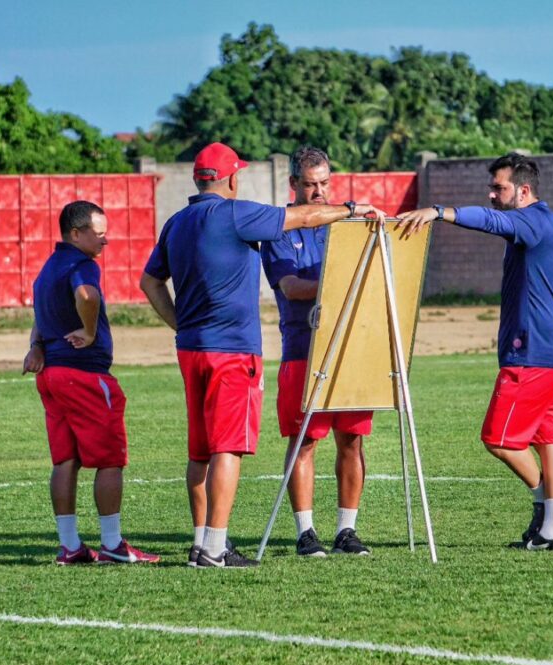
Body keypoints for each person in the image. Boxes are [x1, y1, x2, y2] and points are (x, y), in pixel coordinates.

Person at [139, 142, 387, 568]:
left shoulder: (176, 223)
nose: (318, 191)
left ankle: (203, 543)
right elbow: (302, 231)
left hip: (194, 348)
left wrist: (181, 323)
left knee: (201, 451)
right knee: (228, 448)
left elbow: (149, 283)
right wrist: (353, 210)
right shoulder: (239, 214)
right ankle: (216, 547)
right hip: (234, 351)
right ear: (233, 178)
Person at [398, 153, 553, 552]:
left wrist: (438, 212)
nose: (491, 195)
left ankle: (547, 501)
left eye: (499, 188)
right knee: (550, 443)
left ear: (523, 190)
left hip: (534, 356)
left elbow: (490, 221)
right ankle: (552, 531)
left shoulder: (529, 221)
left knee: (498, 439)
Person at [23, 200, 160, 565]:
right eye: (99, 234)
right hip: (84, 375)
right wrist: (87, 329)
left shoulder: (47, 269)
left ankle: (69, 545)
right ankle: (113, 544)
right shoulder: (82, 265)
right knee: (109, 459)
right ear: (75, 233)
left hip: (51, 375)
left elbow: (40, 312)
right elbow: (87, 295)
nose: (106, 241)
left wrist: (36, 346)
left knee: (65, 460)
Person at [260, 146, 373, 557]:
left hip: (351, 352)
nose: (319, 192)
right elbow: (290, 287)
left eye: (325, 183)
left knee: (352, 442)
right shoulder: (279, 229)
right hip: (302, 350)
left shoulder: (350, 224)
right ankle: (306, 532)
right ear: (293, 184)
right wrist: (343, 283)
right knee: (304, 442)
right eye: (310, 184)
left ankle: (347, 530)